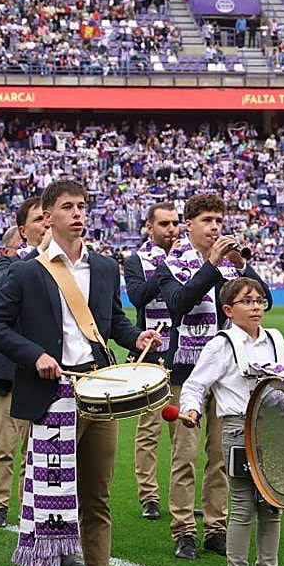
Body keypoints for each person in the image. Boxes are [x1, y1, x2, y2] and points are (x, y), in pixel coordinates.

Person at [0, 179, 162, 566]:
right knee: (46, 493)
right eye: (67, 207)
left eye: (82, 206)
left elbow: (111, 321)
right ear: (48, 216)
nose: (78, 214)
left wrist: (133, 335)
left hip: (97, 391)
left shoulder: (103, 267)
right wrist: (34, 355)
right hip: (50, 393)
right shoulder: (28, 271)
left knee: (97, 496)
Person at [158, 192, 271, 559]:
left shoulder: (229, 268)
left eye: (219, 222)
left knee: (221, 455)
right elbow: (179, 303)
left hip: (227, 371)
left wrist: (241, 264)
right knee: (185, 454)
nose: (214, 228)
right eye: (207, 221)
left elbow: (261, 297)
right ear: (188, 224)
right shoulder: (170, 264)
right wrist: (211, 263)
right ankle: (183, 529)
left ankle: (216, 526)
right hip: (187, 370)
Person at [178, 277, 284, 566]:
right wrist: (191, 410)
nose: (256, 306)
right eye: (247, 301)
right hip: (237, 429)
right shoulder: (222, 344)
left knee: (273, 507)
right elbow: (194, 386)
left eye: (260, 300)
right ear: (228, 310)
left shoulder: (276, 339)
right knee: (244, 506)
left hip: (274, 429)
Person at [0, 198, 42, 528]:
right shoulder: (5, 273)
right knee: (6, 443)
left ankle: (28, 505)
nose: (45, 224)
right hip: (8, 370)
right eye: (38, 220)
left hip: (43, 371)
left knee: (36, 447)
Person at [122, 202, 180, 523]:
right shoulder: (136, 261)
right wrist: (166, 266)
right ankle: (149, 495)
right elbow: (138, 297)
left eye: (174, 224)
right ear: (149, 227)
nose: (171, 230)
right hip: (152, 355)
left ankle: (178, 496)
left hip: (183, 351)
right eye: (164, 225)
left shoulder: (190, 259)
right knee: (149, 430)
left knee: (182, 432)